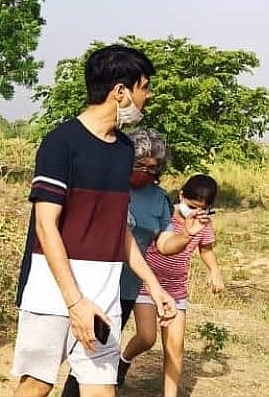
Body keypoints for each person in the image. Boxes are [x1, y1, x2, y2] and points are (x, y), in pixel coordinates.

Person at [11, 45, 178, 397]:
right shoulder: (61, 143)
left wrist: (153, 284)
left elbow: (120, 229)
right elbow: (45, 226)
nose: (146, 97)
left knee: (102, 390)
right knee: (36, 387)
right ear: (120, 92)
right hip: (53, 296)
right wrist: (75, 303)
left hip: (105, 297)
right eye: (143, 87)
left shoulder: (123, 151)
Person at [60, 129, 216, 397]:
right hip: (90, 281)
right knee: (68, 351)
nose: (144, 171)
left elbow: (165, 244)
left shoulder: (158, 200)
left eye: (151, 167)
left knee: (96, 354)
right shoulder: (107, 185)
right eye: (138, 164)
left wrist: (186, 235)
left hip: (126, 289)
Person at [119, 174, 224, 397]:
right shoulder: (165, 216)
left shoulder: (203, 225)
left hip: (176, 289)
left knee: (175, 348)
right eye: (190, 205)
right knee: (147, 337)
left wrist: (215, 270)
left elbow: (206, 249)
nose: (193, 211)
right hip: (148, 285)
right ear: (181, 196)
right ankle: (123, 361)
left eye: (199, 208)